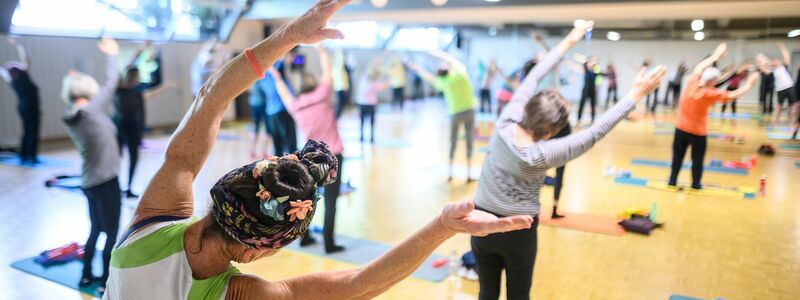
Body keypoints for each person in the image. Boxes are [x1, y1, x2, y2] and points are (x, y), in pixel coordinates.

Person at [103, 3, 533, 299]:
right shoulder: (239, 293)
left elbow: (209, 99)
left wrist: (289, 35)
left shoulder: (151, 221)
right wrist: (443, 226)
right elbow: (357, 287)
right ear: (258, 252)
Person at [472, 20, 666, 300]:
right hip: (519, 231)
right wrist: (636, 93)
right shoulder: (543, 154)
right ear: (551, 131)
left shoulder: (505, 121)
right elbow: (595, 132)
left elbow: (534, 76)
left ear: (528, 107)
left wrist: (570, 40)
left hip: (480, 223)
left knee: (486, 293)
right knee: (518, 295)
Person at [270, 45, 345, 253]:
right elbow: (328, 72)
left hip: (311, 159)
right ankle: (329, 243)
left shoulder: (296, 106)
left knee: (306, 200)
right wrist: (322, 51)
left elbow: (281, 87)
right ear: (314, 83)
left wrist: (275, 73)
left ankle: (304, 236)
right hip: (334, 157)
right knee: (331, 202)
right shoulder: (322, 95)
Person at [61, 38, 122, 294]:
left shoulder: (74, 114)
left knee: (97, 229)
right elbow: (111, 83)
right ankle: (106, 281)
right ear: (88, 91)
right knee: (111, 234)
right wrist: (113, 54)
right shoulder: (91, 111)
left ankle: (86, 276)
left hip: (90, 182)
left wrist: (73, 81)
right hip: (106, 181)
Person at [668, 43, 759, 190]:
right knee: (697, 159)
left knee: (677, 157)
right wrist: (748, 85)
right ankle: (695, 184)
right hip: (697, 133)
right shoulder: (711, 94)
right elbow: (731, 95)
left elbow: (698, 68)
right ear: (713, 81)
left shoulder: (691, 83)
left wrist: (715, 56)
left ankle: (672, 180)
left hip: (680, 129)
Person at [407, 50, 479, 182]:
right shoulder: (461, 75)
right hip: (469, 111)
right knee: (469, 141)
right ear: (448, 70)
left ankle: (450, 173)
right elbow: (453, 60)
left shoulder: (443, 82)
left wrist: (417, 69)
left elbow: (429, 77)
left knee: (453, 141)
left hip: (455, 113)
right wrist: (439, 53)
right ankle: (468, 174)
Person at [113, 45, 166, 198]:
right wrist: (138, 51)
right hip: (121, 126)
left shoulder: (137, 91)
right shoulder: (120, 89)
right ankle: (117, 186)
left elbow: (150, 95)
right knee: (117, 158)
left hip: (132, 128)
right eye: (136, 76)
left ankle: (128, 188)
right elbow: (127, 66)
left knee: (133, 158)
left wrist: (165, 87)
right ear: (132, 76)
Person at [1, 37, 40, 164]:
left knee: (27, 129)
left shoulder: (12, 80)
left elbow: (3, 71)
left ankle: (25, 153)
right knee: (32, 129)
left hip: (23, 106)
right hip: (30, 106)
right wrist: (19, 45)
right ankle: (31, 154)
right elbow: (26, 59)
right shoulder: (24, 76)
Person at [260, 59, 299, 156]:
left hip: (271, 113)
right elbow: (291, 95)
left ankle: (280, 168)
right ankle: (293, 168)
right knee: (291, 146)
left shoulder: (263, 78)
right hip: (283, 112)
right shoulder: (280, 81)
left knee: (278, 147)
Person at [759, 43, 797, 127]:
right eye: (775, 61)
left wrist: (782, 47)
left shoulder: (783, 67)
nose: (777, 61)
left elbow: (786, 56)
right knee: (779, 106)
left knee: (792, 106)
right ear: (773, 63)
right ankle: (775, 122)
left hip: (789, 87)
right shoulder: (773, 70)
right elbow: (763, 69)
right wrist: (761, 61)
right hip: (780, 89)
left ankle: (792, 122)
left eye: (777, 60)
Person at [355, 57, 389, 143]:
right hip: (370, 103)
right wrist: (389, 82)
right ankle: (371, 137)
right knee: (371, 121)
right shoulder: (374, 81)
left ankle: (362, 137)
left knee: (362, 121)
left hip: (362, 102)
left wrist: (375, 63)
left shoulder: (364, 77)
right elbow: (382, 86)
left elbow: (370, 69)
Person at [247, 69, 273, 159]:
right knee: (268, 129)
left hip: (253, 103)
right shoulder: (266, 74)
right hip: (264, 104)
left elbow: (250, 90)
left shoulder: (252, 74)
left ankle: (252, 152)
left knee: (255, 128)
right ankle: (264, 152)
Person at [577, 55, 600, 124]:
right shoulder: (586, 70)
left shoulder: (595, 73)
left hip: (592, 91)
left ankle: (593, 120)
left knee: (593, 105)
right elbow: (584, 63)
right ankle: (579, 119)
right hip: (585, 91)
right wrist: (588, 60)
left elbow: (604, 74)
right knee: (582, 105)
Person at [333, 48, 351, 119]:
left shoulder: (338, 68)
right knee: (340, 105)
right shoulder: (337, 68)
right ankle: (336, 119)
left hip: (341, 87)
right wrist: (339, 52)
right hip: (340, 88)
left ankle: (336, 118)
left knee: (341, 105)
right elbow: (340, 60)